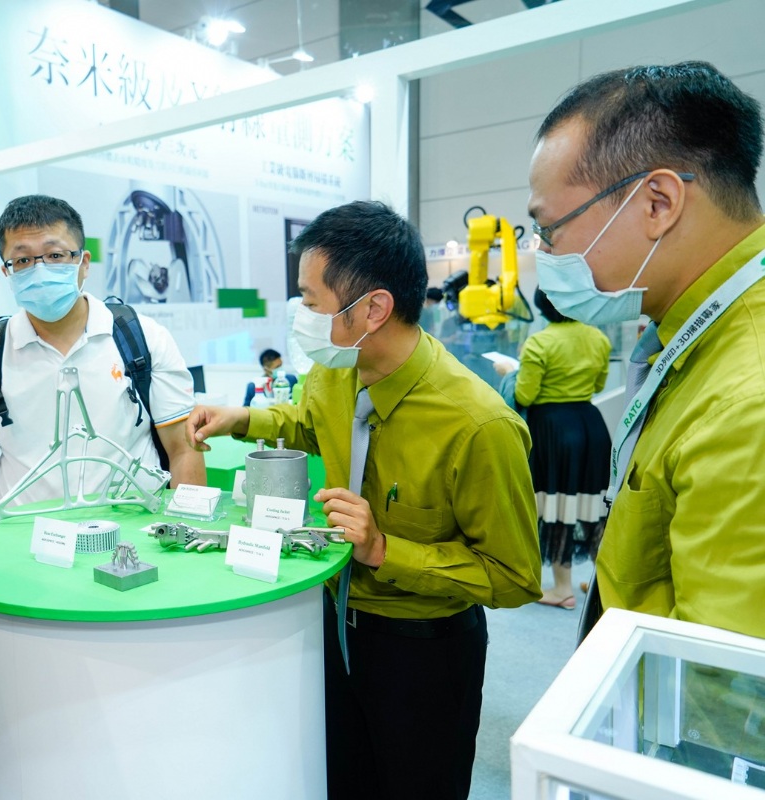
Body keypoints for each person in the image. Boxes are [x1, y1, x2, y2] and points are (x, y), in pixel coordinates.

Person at [187, 200, 541, 800]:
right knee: (341, 779)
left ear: (373, 309)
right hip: (331, 622)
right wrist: (242, 418)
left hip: (422, 651)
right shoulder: (335, 370)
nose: (301, 316)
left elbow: (515, 577)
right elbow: (309, 422)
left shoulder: (478, 425)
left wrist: (384, 550)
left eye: (311, 301)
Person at [528, 61, 765, 639]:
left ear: (657, 203)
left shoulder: (745, 399)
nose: (545, 252)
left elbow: (718, 679)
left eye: (551, 228)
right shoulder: (687, 336)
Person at [0, 195, 205, 505]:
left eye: (55, 255)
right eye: (23, 260)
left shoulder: (143, 338)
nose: (40, 270)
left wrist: (187, 525)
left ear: (83, 263)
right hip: (23, 531)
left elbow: (183, 451)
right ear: (7, 272)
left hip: (134, 526)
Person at [495, 288, 612, 610]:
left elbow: (526, 395)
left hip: (553, 430)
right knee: (593, 504)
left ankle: (562, 589)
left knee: (558, 504)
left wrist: (510, 373)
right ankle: (605, 584)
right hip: (591, 425)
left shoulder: (539, 343)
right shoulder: (598, 338)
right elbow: (599, 385)